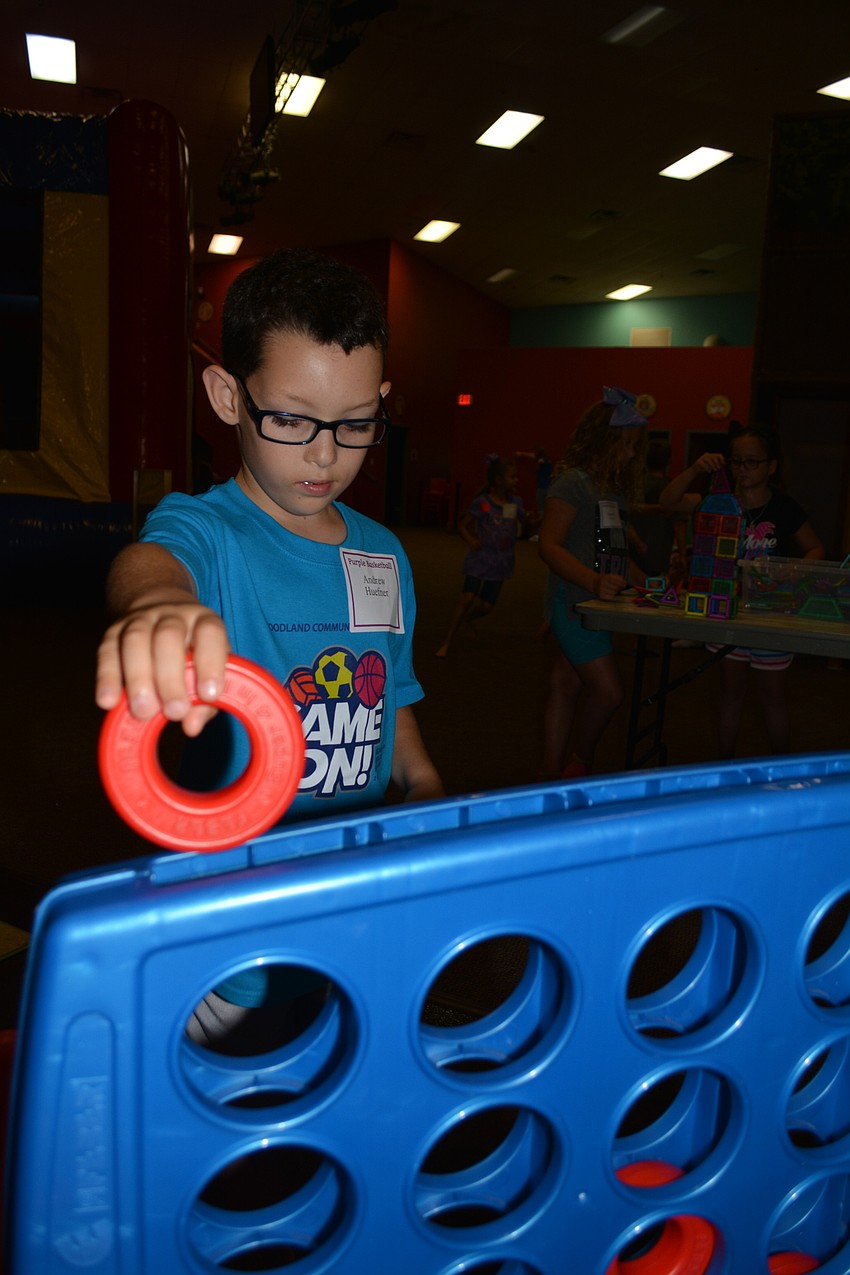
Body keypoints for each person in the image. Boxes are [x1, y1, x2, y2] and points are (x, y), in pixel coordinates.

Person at [95, 247, 444, 1044]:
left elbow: (393, 698)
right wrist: (156, 605)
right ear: (227, 395)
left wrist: (425, 787)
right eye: (290, 419)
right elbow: (150, 560)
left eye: (355, 423)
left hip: (353, 910)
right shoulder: (210, 532)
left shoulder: (383, 554)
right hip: (228, 931)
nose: (325, 454)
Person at [660, 423, 824, 758]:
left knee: (772, 696)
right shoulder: (717, 500)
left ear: (771, 466)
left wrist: (788, 571)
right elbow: (668, 501)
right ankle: (724, 765)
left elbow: (815, 549)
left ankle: (781, 767)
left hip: (770, 614)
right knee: (730, 692)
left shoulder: (784, 508)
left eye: (753, 462)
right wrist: (694, 468)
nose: (743, 469)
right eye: (737, 462)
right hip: (727, 609)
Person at [537, 386, 647, 780]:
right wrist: (593, 581)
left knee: (565, 682)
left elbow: (617, 553)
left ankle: (549, 775)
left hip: (596, 605)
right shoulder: (573, 483)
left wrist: (650, 585)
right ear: (607, 441)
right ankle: (578, 764)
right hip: (574, 603)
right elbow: (548, 547)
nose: (633, 454)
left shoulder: (611, 490)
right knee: (609, 693)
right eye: (629, 445)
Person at [435, 455, 535, 657]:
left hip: (501, 562)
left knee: (487, 606)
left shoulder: (515, 503)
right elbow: (462, 525)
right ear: (498, 480)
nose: (516, 481)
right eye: (512, 477)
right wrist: (471, 540)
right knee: (467, 598)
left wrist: (533, 522)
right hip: (480, 560)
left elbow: (526, 530)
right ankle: (446, 641)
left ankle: (468, 619)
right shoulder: (483, 503)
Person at [629, 437, 687, 582]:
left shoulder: (633, 486)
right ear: (668, 462)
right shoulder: (672, 491)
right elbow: (679, 525)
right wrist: (683, 555)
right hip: (658, 556)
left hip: (631, 556)